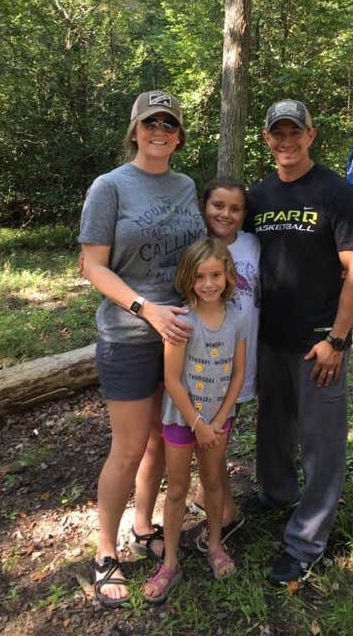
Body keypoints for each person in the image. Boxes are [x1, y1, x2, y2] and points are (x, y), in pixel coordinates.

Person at [79, 90, 205, 607]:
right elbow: (93, 266)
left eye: (169, 124)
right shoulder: (110, 187)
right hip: (129, 335)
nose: (159, 131)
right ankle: (105, 552)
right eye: (150, 122)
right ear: (135, 130)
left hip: (179, 337)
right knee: (129, 447)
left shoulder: (186, 185)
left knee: (159, 441)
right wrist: (145, 309)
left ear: (178, 135)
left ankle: (144, 525)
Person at [247, 99, 353, 585]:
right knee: (273, 425)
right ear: (267, 139)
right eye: (277, 133)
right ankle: (276, 493)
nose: (286, 141)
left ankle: (306, 541)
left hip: (319, 341)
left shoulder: (338, 194)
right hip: (270, 337)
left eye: (294, 131)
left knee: (321, 443)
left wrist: (338, 341)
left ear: (311, 135)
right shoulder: (257, 197)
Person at [143, 237, 247, 603]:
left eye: (215, 275)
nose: (208, 283)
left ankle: (215, 545)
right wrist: (198, 424)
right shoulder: (181, 320)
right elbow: (172, 380)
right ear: (188, 278)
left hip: (219, 421)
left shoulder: (236, 317)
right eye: (200, 276)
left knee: (215, 482)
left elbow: (238, 375)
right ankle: (169, 562)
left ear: (227, 275)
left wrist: (217, 421)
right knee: (176, 489)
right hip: (181, 421)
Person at [190, 178, 261, 548]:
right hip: (200, 365)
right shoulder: (195, 248)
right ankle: (222, 506)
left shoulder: (254, 245)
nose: (226, 214)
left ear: (245, 214)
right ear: (204, 206)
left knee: (219, 436)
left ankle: (220, 505)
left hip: (239, 360)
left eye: (235, 208)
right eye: (218, 205)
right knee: (210, 437)